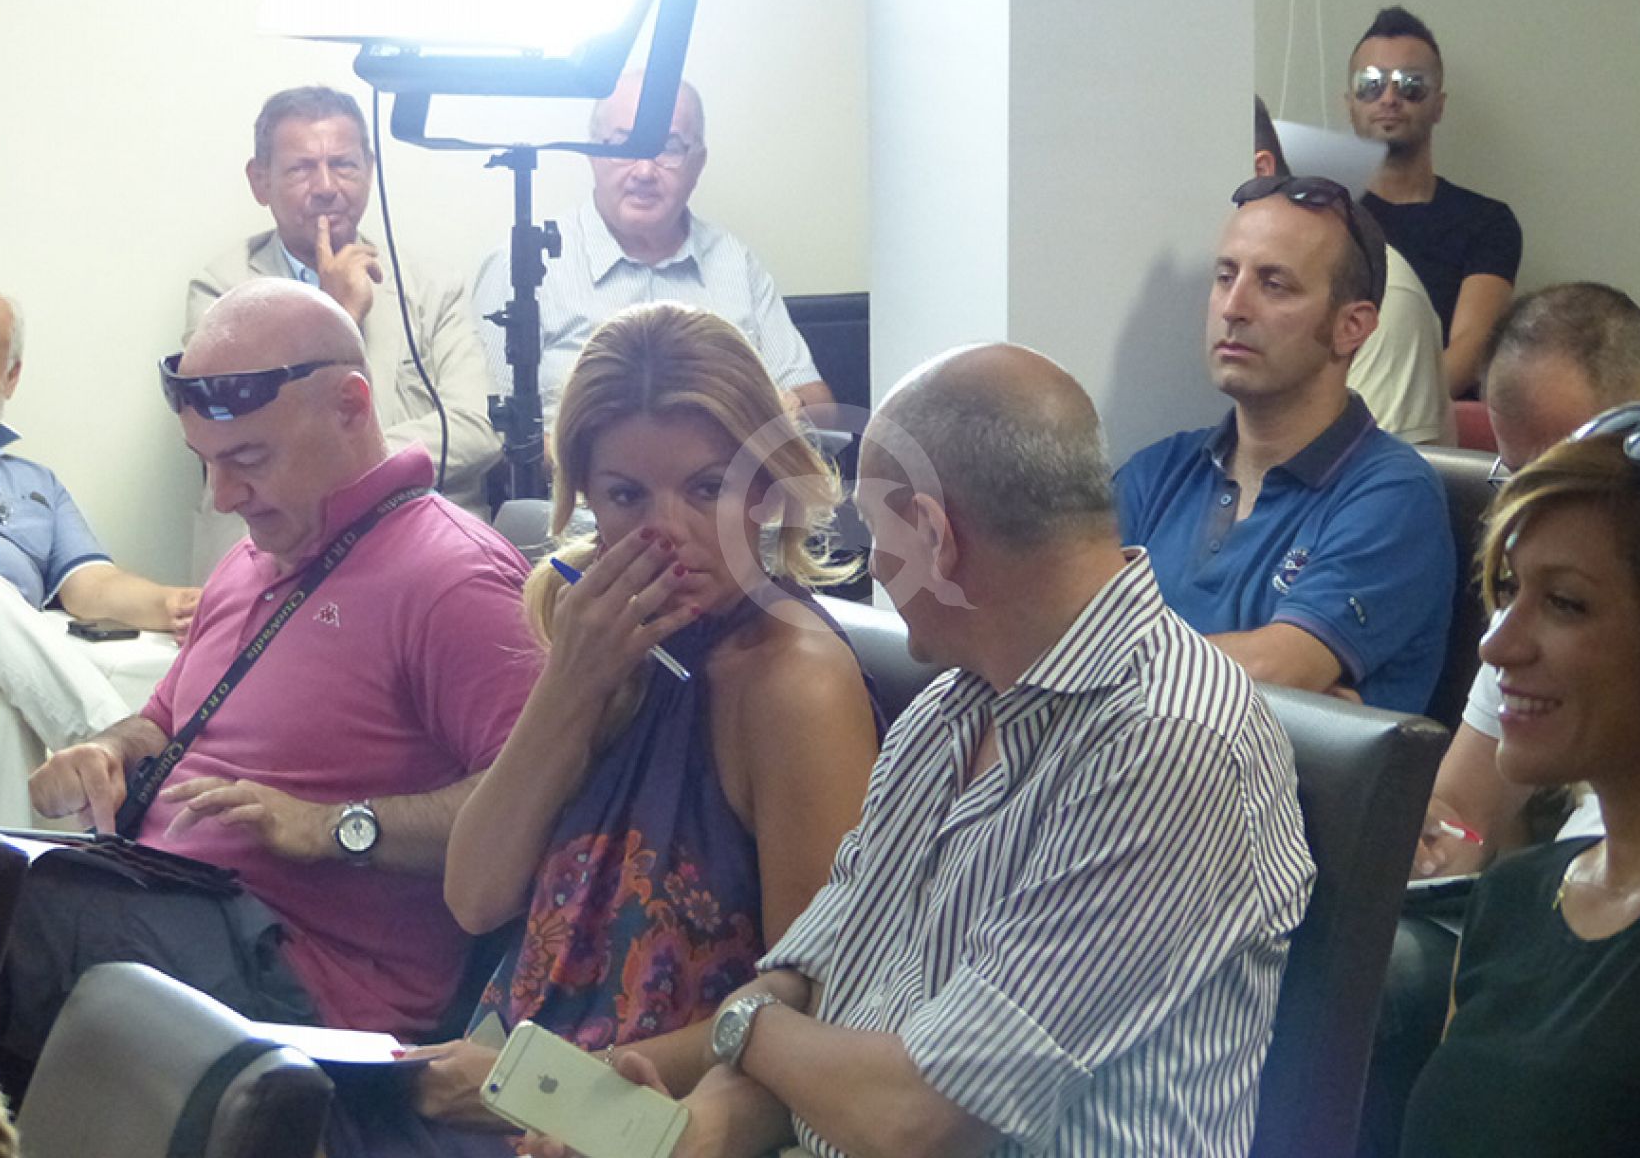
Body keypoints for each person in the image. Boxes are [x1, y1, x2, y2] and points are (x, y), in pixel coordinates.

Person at [557, 343, 1316, 1158]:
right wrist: (693, 1132)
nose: (878, 567)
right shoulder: (949, 711)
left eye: (878, 532)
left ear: (931, 533)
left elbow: (916, 1119)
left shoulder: (1169, 746)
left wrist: (747, 1026)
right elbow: (812, 979)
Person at [325, 303, 880, 1155]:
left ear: (767, 490)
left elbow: (812, 1004)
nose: (669, 533)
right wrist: (569, 686)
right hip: (499, 1087)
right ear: (584, 497)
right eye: (627, 496)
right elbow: (475, 897)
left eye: (707, 489)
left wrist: (536, 1084)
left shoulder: (793, 683)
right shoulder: (605, 639)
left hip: (635, 1117)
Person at [0, 281, 542, 1065]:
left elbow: (540, 815)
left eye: (248, 459)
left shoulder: (453, 581)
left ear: (351, 407)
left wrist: (335, 827)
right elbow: (165, 723)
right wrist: (110, 752)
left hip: (306, 981)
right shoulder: (252, 557)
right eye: (207, 464)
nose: (223, 497)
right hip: (166, 901)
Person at [1361, 281, 1640, 1158]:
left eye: (1568, 604)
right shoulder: (1511, 906)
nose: (1496, 644)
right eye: (1508, 592)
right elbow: (1459, 816)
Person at [1116, 176, 1454, 716]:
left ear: (1352, 327)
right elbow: (1048, 630)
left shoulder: (1394, 494)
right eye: (1225, 276)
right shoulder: (1157, 471)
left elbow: (1278, 669)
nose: (1234, 307)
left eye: (1274, 284)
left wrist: (1103, 664)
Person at [1417, 281, 1640, 876]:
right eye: (1520, 476)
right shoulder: (1535, 610)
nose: (1540, 505)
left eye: (1574, 457)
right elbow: (1463, 817)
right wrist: (1419, 842)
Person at [186, 86, 500, 578]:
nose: (327, 186)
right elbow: (241, 433)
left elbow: (475, 431)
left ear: (370, 170)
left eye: (344, 165)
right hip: (274, 559)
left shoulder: (433, 286)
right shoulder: (223, 290)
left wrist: (336, 464)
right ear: (260, 180)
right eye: (301, 169)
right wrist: (337, 314)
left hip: (418, 552)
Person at [467, 73, 830, 429]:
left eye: (668, 147)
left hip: (728, 468)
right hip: (576, 470)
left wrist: (781, 410)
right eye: (624, 146)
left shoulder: (733, 261)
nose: (644, 171)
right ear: (593, 155)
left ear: (698, 162)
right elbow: (490, 433)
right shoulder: (524, 264)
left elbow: (819, 404)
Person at [0, 290, 199, 826]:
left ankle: (9, 873)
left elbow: (91, 586)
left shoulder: (35, 486)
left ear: (10, 377)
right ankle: (129, 759)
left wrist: (171, 602)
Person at [1255, 96, 1454, 445]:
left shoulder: (1375, 286)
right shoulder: (1204, 287)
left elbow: (1374, 469)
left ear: (1261, 170)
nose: (1232, 308)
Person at [1347, 6, 1523, 397]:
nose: (1389, 98)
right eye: (1371, 84)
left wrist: (1387, 416)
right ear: (1350, 103)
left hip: (1433, 424)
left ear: (1439, 104)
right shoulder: (1324, 216)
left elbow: (1471, 349)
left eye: (1410, 84)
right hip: (1332, 417)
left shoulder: (1487, 223)